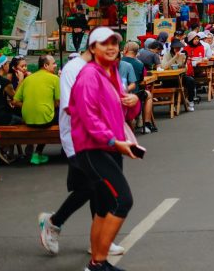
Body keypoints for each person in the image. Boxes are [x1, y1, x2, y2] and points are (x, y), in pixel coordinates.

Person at [37, 48, 127, 259]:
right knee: (90, 187)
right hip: (80, 139)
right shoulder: (73, 70)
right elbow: (72, 106)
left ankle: (97, 240)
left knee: (101, 189)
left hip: (104, 138)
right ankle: (53, 223)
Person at [69, 27, 140, 271]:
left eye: (114, 43)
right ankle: (97, 263)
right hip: (95, 149)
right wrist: (112, 141)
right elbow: (89, 117)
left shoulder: (111, 74)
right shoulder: (88, 75)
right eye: (104, 43)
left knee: (103, 205)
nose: (111, 47)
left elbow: (124, 112)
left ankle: (97, 263)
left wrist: (134, 102)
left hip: (111, 148)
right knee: (123, 201)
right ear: (92, 49)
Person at [15, 54, 60, 164]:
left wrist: (28, 106)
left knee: (47, 114)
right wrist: (48, 106)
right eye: (53, 63)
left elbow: (15, 101)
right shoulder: (55, 79)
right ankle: (38, 152)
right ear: (45, 65)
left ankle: (36, 153)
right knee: (63, 114)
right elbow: (59, 102)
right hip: (45, 121)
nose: (56, 65)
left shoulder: (28, 79)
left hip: (28, 120)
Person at [122, 42, 155, 134]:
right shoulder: (139, 64)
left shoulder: (119, 62)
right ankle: (147, 124)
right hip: (134, 93)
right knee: (149, 96)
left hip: (120, 92)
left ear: (126, 49)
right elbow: (140, 81)